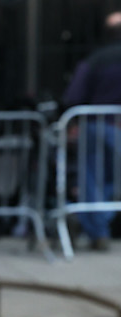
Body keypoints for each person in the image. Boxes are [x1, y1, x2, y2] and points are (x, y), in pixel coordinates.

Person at [61, 12, 121, 252]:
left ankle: (93, 225)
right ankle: (96, 226)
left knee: (93, 180)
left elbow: (74, 95)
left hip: (94, 124)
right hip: (113, 126)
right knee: (109, 180)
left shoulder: (95, 59)